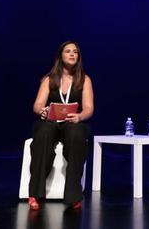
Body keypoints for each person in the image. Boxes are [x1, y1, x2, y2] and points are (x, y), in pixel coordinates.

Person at [28, 41, 94, 211]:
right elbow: (37, 104)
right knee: (43, 131)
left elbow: (89, 108)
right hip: (51, 122)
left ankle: (73, 195)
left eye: (75, 52)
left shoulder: (84, 79)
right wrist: (42, 111)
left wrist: (79, 116)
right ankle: (35, 193)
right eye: (68, 51)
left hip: (72, 123)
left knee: (76, 133)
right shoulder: (49, 79)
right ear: (61, 56)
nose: (72, 54)